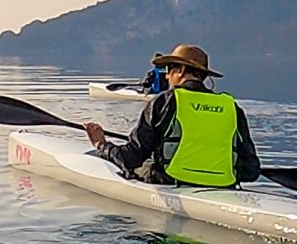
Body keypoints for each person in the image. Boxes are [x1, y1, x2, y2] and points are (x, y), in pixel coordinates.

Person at [83, 43, 260, 187]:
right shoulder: (232, 108)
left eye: (169, 69)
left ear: (181, 70)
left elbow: (129, 158)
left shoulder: (164, 101)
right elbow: (250, 171)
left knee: (138, 166)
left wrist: (102, 144)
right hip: (223, 187)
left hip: (169, 183)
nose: (167, 76)